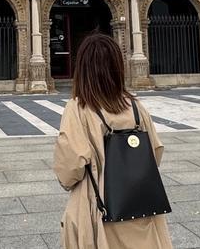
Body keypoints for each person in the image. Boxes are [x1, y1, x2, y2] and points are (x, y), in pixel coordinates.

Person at [53, 33, 173, 249]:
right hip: (141, 208)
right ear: (118, 67)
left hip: (100, 209)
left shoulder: (78, 109)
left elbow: (71, 165)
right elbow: (154, 151)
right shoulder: (135, 106)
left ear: (82, 68)